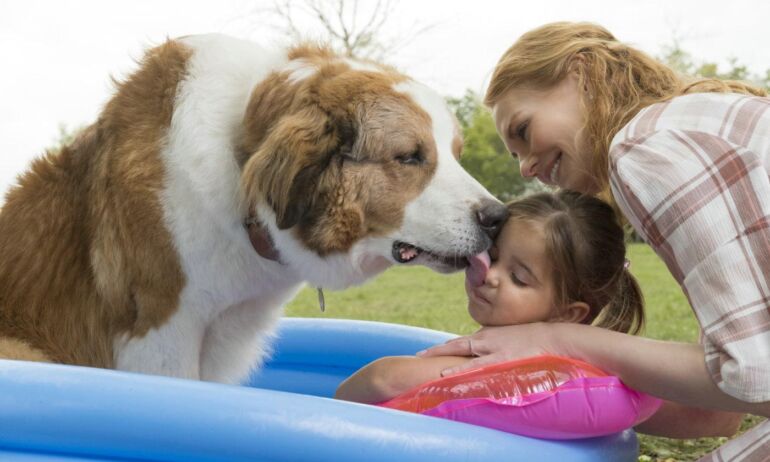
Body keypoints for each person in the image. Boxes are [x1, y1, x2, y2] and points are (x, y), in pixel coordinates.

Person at [418, 22, 768, 458]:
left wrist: (560, 340)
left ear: (580, 73)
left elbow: (752, 381)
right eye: (515, 155)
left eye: (524, 131)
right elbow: (719, 410)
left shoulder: (645, 149)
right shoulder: (688, 120)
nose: (525, 168)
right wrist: (544, 385)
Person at [336, 190, 646, 404]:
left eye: (518, 278)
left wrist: (332, 408)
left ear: (567, 315)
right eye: (492, 256)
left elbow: (382, 379)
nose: (491, 275)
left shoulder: (529, 367)